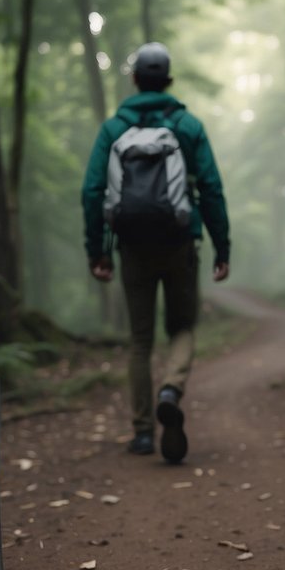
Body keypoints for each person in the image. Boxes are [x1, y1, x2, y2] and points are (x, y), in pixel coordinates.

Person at [81, 42, 231, 463]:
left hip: (132, 247)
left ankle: (143, 432)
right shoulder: (187, 125)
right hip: (180, 243)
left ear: (134, 80)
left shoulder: (113, 130)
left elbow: (93, 191)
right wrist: (222, 245)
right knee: (182, 326)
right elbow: (212, 188)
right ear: (168, 81)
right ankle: (172, 388)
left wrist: (98, 251)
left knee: (140, 340)